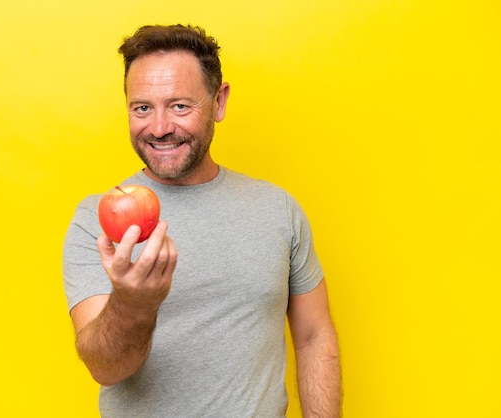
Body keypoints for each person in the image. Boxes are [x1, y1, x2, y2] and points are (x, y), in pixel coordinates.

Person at [63, 24, 342, 417]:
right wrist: (134, 303)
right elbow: (106, 368)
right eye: (142, 107)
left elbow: (314, 337)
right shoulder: (97, 222)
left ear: (219, 101)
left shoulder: (278, 209)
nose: (159, 128)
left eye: (179, 106)